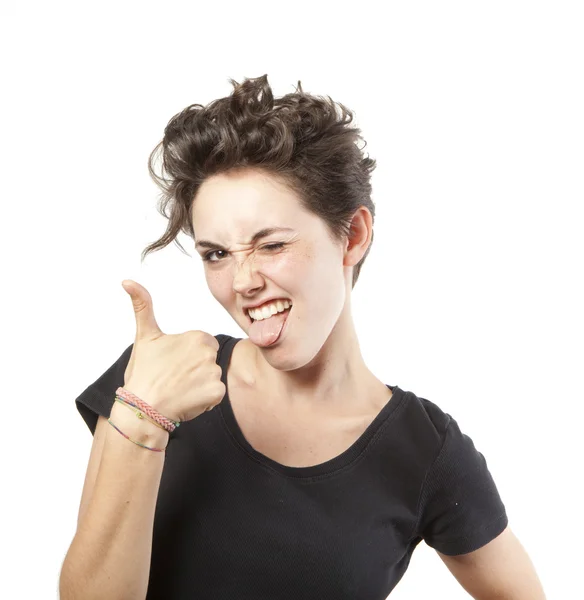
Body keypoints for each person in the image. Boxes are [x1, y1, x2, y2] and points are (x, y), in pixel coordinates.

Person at [59, 74, 546, 599]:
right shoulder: (157, 378)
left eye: (270, 245)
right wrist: (143, 418)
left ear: (352, 236)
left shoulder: (424, 450)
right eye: (216, 253)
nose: (241, 282)